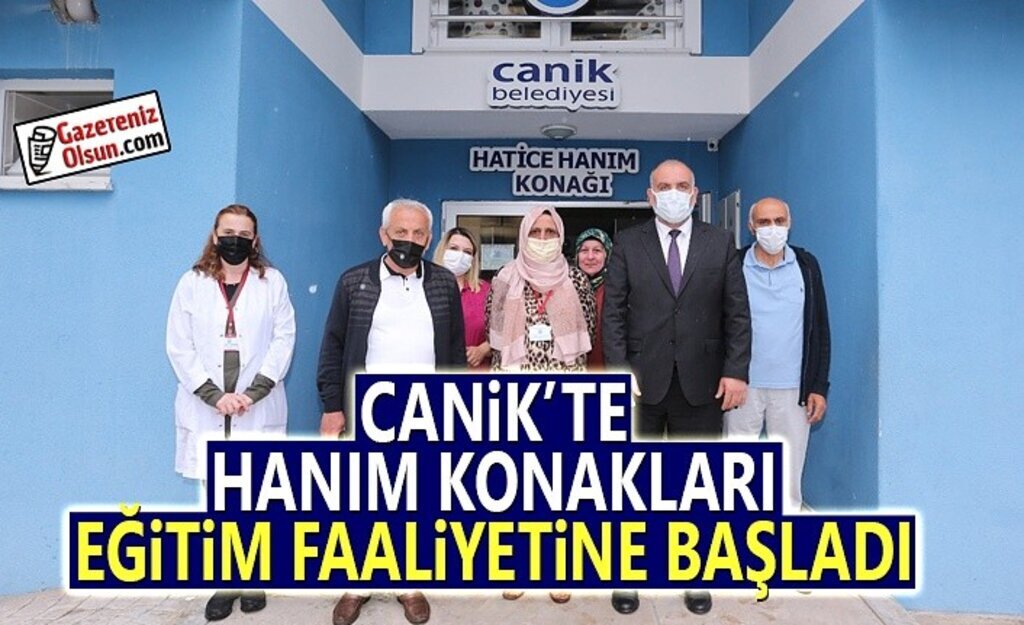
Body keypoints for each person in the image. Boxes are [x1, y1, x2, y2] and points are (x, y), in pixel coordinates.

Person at [603, 159, 751, 616]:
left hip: (702, 383)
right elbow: (613, 314)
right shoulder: (628, 243)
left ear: (694, 192)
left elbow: (737, 312)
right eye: (663, 186)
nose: (672, 192)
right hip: (638, 386)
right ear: (650, 196)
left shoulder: (719, 242)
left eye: (681, 185)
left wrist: (736, 370)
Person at [317, 198, 466, 625]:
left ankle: (408, 584)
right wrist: (332, 406)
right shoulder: (354, 282)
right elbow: (333, 346)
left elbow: (454, 349)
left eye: (418, 233)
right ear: (384, 235)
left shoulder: (442, 283)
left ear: (429, 238)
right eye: (401, 232)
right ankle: (357, 584)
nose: (409, 240)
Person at [166, 204, 296, 621]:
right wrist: (213, 395)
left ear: (254, 240)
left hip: (255, 406)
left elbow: (284, 339)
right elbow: (179, 345)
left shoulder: (271, 282)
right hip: (208, 408)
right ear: (215, 235)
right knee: (218, 498)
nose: (235, 240)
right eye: (228, 232)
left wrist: (254, 392)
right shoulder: (192, 283)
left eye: (243, 234)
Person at [487, 205, 596, 604]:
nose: (544, 238)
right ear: (524, 234)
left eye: (551, 232)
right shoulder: (504, 277)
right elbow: (494, 333)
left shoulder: (577, 280)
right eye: (537, 231)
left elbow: (589, 332)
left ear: (561, 236)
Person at [724, 197, 831, 511]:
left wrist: (818, 386)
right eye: (764, 222)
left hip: (793, 389)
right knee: (736, 468)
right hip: (743, 386)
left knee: (788, 474)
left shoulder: (807, 266)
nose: (772, 228)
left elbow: (820, 328)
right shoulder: (733, 265)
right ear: (751, 226)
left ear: (789, 223)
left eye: (779, 221)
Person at [434, 227, 491, 369]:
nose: (460, 255)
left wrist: (483, 350)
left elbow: (506, 332)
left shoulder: (486, 291)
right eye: (454, 248)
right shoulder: (425, 287)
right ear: (442, 250)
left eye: (467, 252)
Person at [574, 228, 613, 369]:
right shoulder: (566, 287)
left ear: (607, 255)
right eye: (584, 251)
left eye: (597, 251)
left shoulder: (617, 288)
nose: (590, 257)